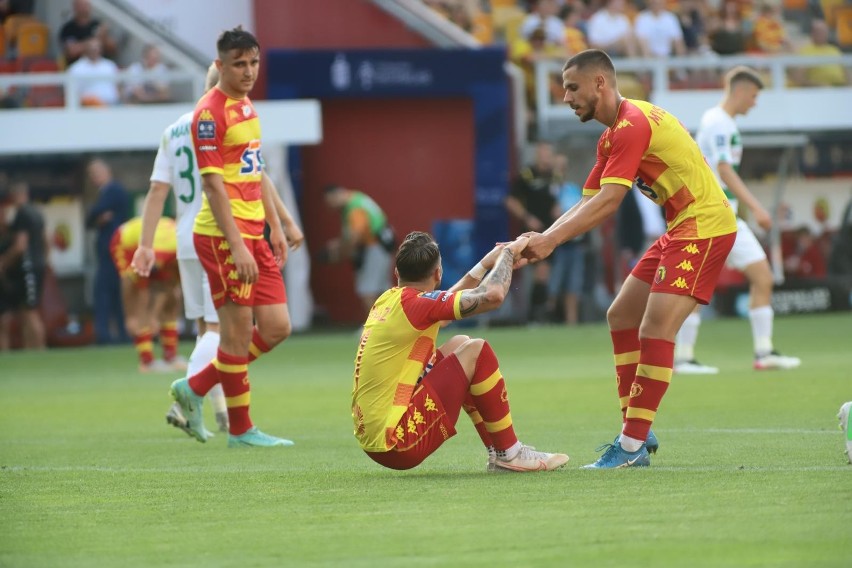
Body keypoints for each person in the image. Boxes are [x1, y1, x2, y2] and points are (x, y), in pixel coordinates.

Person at [518, 49, 738, 468]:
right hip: (681, 227)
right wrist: (542, 238)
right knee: (621, 315)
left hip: (705, 226)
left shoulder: (631, 125)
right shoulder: (612, 134)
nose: (566, 97)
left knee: (655, 326)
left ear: (600, 83)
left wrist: (550, 243)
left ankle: (632, 447)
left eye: (572, 87)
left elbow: (611, 201)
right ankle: (636, 428)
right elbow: (588, 201)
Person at [132, 62, 305, 436]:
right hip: (224, 235)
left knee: (207, 328)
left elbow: (157, 191)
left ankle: (216, 408)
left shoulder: (173, 129)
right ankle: (192, 402)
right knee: (224, 332)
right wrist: (281, 224)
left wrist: (146, 245)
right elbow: (255, 176)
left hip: (185, 238)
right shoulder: (222, 122)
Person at [168, 27, 295, 448]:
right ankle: (241, 430)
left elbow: (253, 172)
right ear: (219, 65)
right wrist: (238, 243)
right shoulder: (209, 114)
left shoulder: (247, 107)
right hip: (223, 238)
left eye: (253, 63)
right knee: (236, 335)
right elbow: (213, 186)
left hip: (253, 232)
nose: (248, 71)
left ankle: (195, 386)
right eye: (239, 64)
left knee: (276, 326)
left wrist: (275, 225)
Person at [352, 230, 569, 473]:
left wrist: (486, 264)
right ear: (438, 273)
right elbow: (493, 296)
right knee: (477, 351)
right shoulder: (417, 305)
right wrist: (508, 253)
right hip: (397, 444)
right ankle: (510, 453)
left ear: (396, 273)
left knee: (460, 343)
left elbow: (443, 308)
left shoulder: (388, 300)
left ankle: (498, 452)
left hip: (375, 440)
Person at [676, 66, 801, 374]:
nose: (755, 103)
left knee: (763, 277)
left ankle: (763, 352)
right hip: (714, 215)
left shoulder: (718, 120)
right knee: (695, 286)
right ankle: (682, 357)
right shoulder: (719, 123)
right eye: (755, 96)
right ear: (742, 91)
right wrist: (757, 207)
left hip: (724, 214)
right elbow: (724, 169)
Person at [111, 216, 184, 372]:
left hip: (153, 248)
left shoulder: (183, 247)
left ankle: (170, 357)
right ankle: (147, 361)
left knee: (172, 298)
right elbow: (132, 284)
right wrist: (131, 315)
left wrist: (156, 314)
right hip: (126, 245)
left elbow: (169, 288)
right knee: (142, 300)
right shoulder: (164, 251)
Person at [321, 184, 394, 317]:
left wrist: (341, 253)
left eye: (330, 201)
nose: (330, 207)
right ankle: (389, 324)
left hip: (374, 246)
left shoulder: (354, 208)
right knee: (385, 290)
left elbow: (356, 235)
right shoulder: (357, 198)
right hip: (382, 244)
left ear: (337, 194)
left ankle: (374, 325)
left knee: (367, 290)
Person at [505, 140, 557, 323]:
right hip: (531, 233)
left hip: (551, 233)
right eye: (543, 153)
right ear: (537, 154)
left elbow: (557, 198)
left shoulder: (554, 176)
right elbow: (511, 201)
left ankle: (540, 314)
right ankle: (535, 315)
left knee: (545, 273)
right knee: (540, 272)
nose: (546, 157)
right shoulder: (527, 175)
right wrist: (528, 218)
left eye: (549, 153)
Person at [85, 158, 131, 345]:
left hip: (113, 251)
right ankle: (118, 334)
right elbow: (90, 219)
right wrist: (97, 218)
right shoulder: (103, 193)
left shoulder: (114, 191)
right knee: (112, 293)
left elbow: (94, 213)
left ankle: (107, 335)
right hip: (108, 252)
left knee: (105, 292)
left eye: (97, 173)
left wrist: (97, 216)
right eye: (91, 175)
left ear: (107, 172)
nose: (94, 178)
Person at [0, 179, 47, 350]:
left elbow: (21, 245)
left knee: (29, 310)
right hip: (38, 263)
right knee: (26, 308)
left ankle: (40, 349)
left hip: (29, 265)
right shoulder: (37, 212)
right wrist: (47, 260)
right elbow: (45, 239)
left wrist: (4, 262)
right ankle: (30, 349)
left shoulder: (22, 214)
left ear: (15, 196)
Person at [547, 154, 586, 325]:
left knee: (573, 283)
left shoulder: (572, 189)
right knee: (553, 284)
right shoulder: (549, 189)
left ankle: (572, 321)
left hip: (574, 242)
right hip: (555, 244)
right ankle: (547, 319)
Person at [793, 19, 851, 87]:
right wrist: (818, 85)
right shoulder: (805, 52)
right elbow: (798, 78)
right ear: (812, 33)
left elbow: (846, 72)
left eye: (824, 31)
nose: (822, 34)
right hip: (819, 90)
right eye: (819, 32)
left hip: (840, 88)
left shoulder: (834, 50)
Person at [59, 0, 117, 65]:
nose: (84, 8)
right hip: (77, 67)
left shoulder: (97, 24)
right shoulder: (68, 28)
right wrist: (95, 40)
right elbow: (72, 51)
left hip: (100, 65)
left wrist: (104, 37)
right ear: (74, 7)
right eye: (81, 5)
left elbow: (113, 49)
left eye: (86, 5)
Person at [67, 38, 120, 106]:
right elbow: (73, 92)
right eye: (91, 48)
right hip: (88, 108)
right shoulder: (76, 69)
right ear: (86, 49)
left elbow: (118, 86)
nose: (94, 50)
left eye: (97, 47)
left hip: (113, 106)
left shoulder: (110, 65)